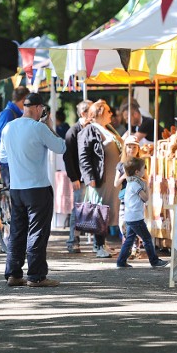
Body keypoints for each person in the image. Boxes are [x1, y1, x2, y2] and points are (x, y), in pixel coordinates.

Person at [0, 93, 66, 287]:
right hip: (37, 186)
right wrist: (50, 126)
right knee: (37, 231)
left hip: (17, 187)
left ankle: (13, 273)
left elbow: (3, 157)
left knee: (17, 231)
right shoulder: (39, 128)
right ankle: (36, 275)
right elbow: (61, 147)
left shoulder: (8, 127)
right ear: (38, 108)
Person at [78, 99, 123, 258]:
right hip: (100, 178)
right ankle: (98, 245)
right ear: (99, 113)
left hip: (112, 179)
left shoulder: (107, 129)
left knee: (108, 210)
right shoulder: (90, 130)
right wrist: (89, 176)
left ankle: (103, 243)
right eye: (108, 111)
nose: (111, 114)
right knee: (99, 210)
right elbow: (84, 156)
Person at [115, 156, 168, 268]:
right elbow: (145, 198)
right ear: (137, 171)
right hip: (136, 217)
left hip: (130, 216)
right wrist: (148, 188)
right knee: (147, 239)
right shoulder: (136, 184)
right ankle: (154, 261)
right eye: (144, 169)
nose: (145, 171)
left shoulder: (130, 183)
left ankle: (121, 261)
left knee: (129, 239)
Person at [63, 100, 92, 253]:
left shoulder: (93, 129)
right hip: (80, 177)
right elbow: (68, 156)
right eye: (91, 112)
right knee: (78, 209)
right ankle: (72, 240)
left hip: (91, 176)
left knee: (91, 208)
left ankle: (95, 242)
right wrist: (74, 177)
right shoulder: (73, 131)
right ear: (83, 113)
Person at [0, 86, 29, 187]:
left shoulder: (15, 113)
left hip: (14, 160)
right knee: (11, 191)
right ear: (24, 99)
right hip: (7, 162)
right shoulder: (8, 114)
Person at [114, 135, 143, 258]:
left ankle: (134, 248)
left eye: (134, 147)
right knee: (123, 223)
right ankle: (130, 243)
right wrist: (124, 175)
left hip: (136, 198)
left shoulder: (140, 164)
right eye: (129, 147)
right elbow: (116, 184)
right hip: (124, 197)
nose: (131, 150)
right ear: (125, 148)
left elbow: (145, 180)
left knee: (135, 222)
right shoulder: (121, 165)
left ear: (138, 149)